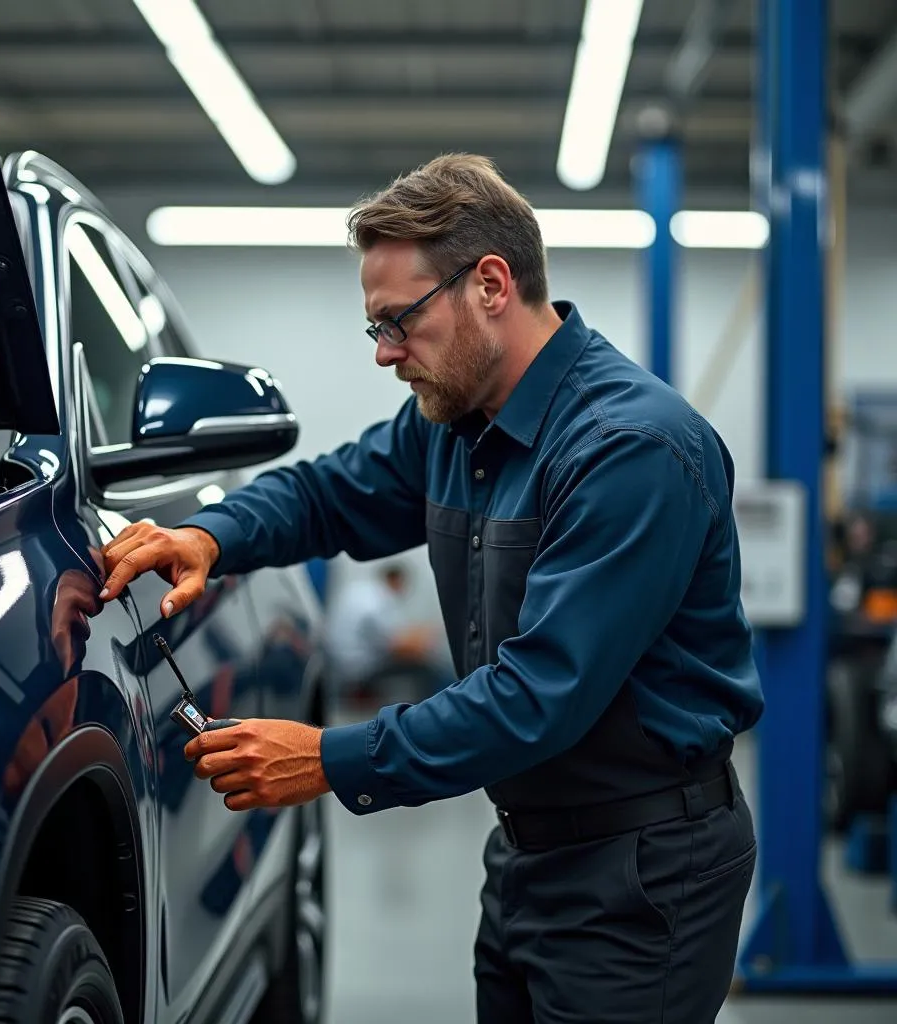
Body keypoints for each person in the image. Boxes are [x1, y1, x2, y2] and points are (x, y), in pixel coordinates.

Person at [100, 153, 765, 1023]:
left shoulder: (629, 452)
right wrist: (207, 535)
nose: (384, 353)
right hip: (529, 849)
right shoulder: (457, 423)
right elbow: (328, 493)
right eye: (372, 328)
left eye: (399, 321)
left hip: (641, 869)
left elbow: (537, 697)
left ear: (491, 284)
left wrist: (326, 757)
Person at [324, 563, 439, 705]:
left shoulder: (362, 591)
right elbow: (395, 645)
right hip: (360, 668)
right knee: (427, 668)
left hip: (339, 661)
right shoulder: (380, 601)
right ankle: (426, 710)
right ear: (396, 580)